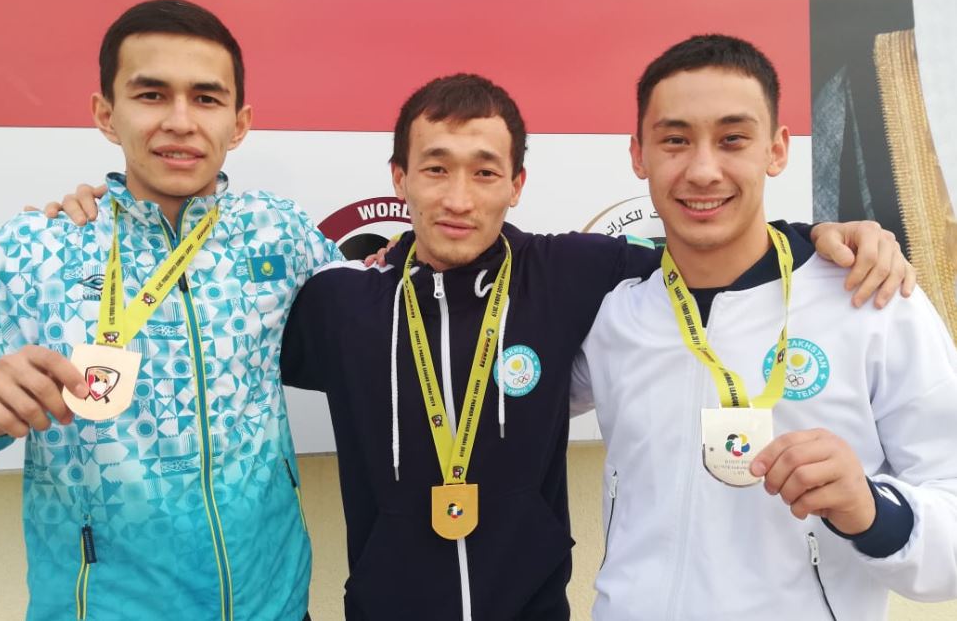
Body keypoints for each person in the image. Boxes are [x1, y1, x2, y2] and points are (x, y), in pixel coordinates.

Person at [276, 73, 911, 620]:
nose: (458, 198)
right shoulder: (339, 303)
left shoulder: (568, 271)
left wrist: (817, 235)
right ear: (400, 178)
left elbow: (714, 251)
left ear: (517, 184)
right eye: (436, 169)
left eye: (485, 172)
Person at [572, 34, 957, 620]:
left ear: (776, 150)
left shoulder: (873, 299)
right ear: (638, 154)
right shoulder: (615, 316)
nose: (703, 170)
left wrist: (873, 511)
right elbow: (504, 393)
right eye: (675, 140)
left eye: (733, 139)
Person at [0, 0, 339, 620]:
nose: (180, 121)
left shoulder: (279, 234)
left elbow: (387, 307)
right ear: (105, 113)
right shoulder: (32, 250)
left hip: (274, 604)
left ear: (239, 123)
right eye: (151, 95)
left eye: (206, 98)